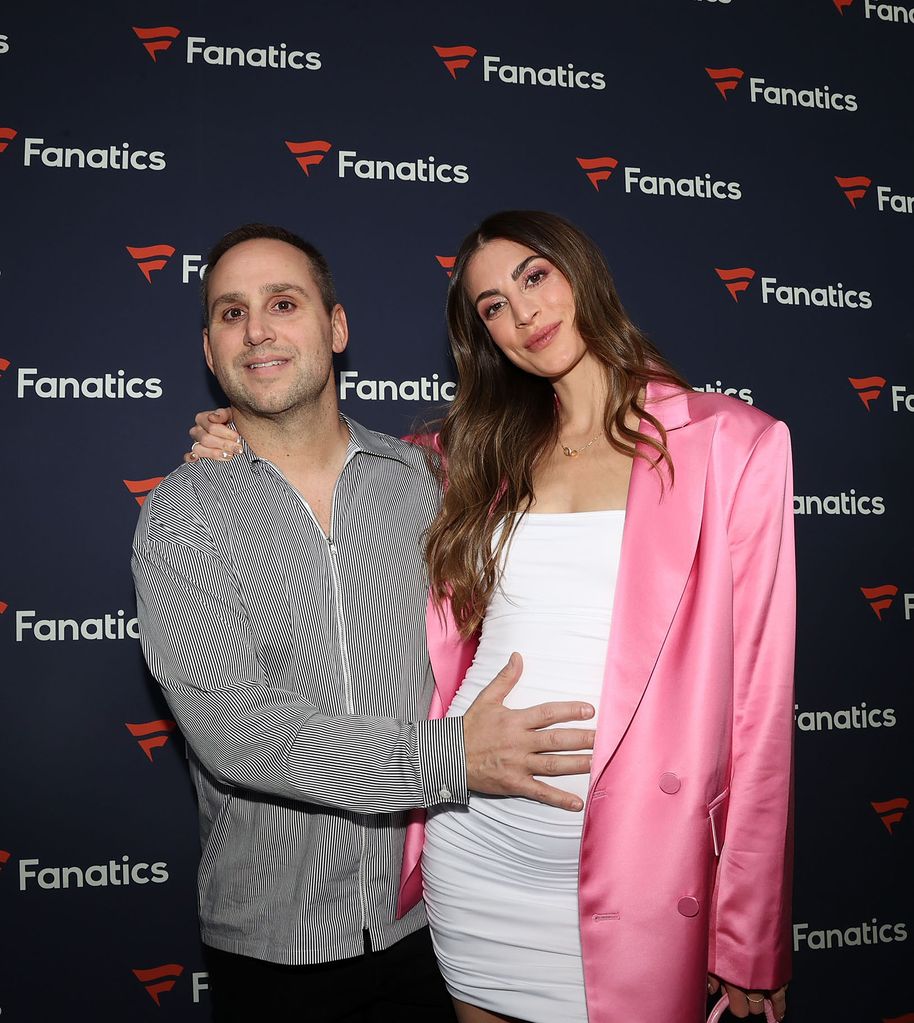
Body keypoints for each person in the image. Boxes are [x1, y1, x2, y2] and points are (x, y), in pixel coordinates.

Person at [189, 212, 795, 1023]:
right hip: (474, 845)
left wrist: (749, 931)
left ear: (583, 272)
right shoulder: (470, 455)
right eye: (492, 307)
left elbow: (760, 708)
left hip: (643, 862)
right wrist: (238, 435)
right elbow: (320, 447)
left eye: (534, 277)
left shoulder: (731, 444)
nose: (523, 314)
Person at [132, 222, 598, 1023]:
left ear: (337, 328)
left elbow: (559, 427)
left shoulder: (434, 481)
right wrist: (454, 756)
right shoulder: (184, 517)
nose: (259, 330)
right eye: (231, 313)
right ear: (210, 352)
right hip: (276, 946)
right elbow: (239, 734)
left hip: (439, 913)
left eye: (283, 302)